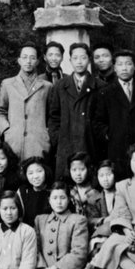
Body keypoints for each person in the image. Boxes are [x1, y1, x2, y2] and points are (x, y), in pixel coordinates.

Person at [92, 49, 135, 177]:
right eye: (120, 64)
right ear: (114, 68)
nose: (124, 68)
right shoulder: (105, 92)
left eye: (128, 64)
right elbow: (98, 122)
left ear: (134, 67)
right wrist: (110, 135)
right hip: (118, 148)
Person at [48, 43, 102, 179]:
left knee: (90, 182)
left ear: (89, 60)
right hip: (66, 145)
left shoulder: (100, 86)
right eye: (75, 58)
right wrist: (58, 139)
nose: (79, 62)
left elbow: (102, 119)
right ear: (70, 60)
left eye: (83, 58)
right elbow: (54, 117)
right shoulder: (60, 86)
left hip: (90, 144)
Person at [0, 43, 52, 162]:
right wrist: (7, 131)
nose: (28, 61)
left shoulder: (47, 87)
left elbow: (51, 114)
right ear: (19, 60)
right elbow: (1, 111)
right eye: (25, 57)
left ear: (37, 61)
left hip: (37, 143)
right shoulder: (8, 84)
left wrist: (45, 133)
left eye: (32, 58)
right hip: (14, 141)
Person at [66, 152, 102, 227]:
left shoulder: (97, 192)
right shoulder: (69, 192)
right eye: (74, 170)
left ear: (88, 169)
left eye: (82, 169)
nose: (78, 174)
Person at [17, 156, 51, 226]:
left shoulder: (53, 190)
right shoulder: (23, 191)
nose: (35, 176)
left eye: (39, 171)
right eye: (30, 173)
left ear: (46, 171)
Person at [89, 159, 118, 238]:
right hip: (102, 233)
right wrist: (104, 220)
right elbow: (91, 220)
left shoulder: (121, 194)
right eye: (101, 176)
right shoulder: (93, 199)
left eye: (108, 175)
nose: (105, 179)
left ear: (114, 175)